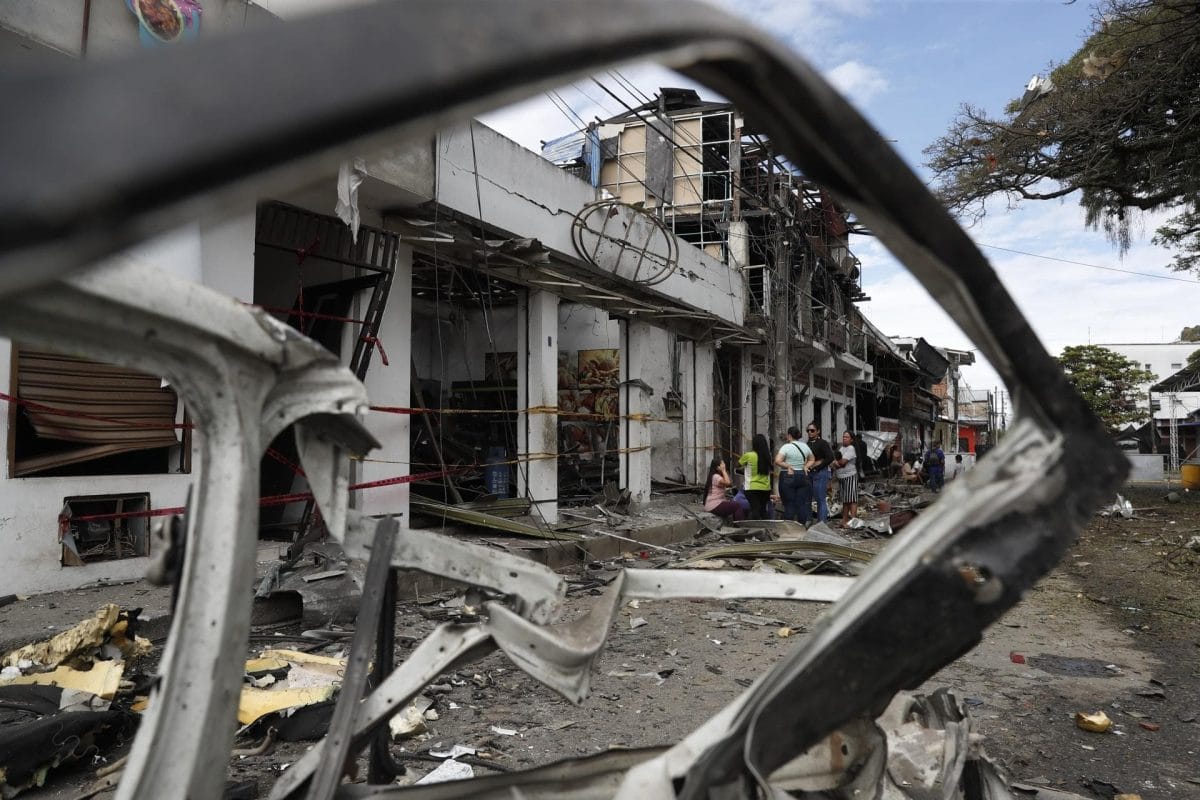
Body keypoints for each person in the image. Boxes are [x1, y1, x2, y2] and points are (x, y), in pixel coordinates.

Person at [773, 425, 814, 524]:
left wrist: (787, 466)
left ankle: (789, 529)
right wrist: (806, 467)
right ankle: (801, 527)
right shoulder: (805, 446)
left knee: (789, 504)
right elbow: (812, 459)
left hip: (788, 476)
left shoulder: (786, 447)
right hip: (802, 475)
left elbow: (777, 460)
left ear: (789, 435)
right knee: (801, 504)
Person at [805, 422, 836, 522]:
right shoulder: (807, 444)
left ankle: (822, 522)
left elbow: (830, 457)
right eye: (808, 430)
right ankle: (809, 520)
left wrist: (818, 466)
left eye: (812, 430)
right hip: (809, 473)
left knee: (820, 498)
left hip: (820, 473)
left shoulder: (822, 443)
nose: (810, 432)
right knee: (807, 498)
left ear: (818, 431)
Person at [738, 434, 774, 520]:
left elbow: (738, 465)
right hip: (765, 488)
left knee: (755, 509)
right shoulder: (767, 456)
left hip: (751, 488)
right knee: (763, 510)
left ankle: (756, 529)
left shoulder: (748, 455)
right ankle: (766, 528)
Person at [702, 456, 746, 522]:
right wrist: (723, 471)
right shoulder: (716, 477)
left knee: (734, 504)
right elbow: (728, 483)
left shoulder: (717, 476)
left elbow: (730, 482)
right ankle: (739, 525)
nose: (724, 465)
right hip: (714, 505)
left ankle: (736, 523)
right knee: (737, 505)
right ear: (717, 467)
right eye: (722, 464)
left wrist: (724, 472)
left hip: (715, 504)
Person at [833, 430, 859, 526]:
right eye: (844, 436)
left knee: (852, 499)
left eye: (847, 437)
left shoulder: (851, 448)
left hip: (850, 476)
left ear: (851, 439)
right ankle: (844, 520)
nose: (844, 438)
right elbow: (835, 463)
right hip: (842, 477)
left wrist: (837, 463)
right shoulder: (841, 448)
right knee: (845, 500)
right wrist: (837, 463)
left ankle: (853, 521)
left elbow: (842, 462)